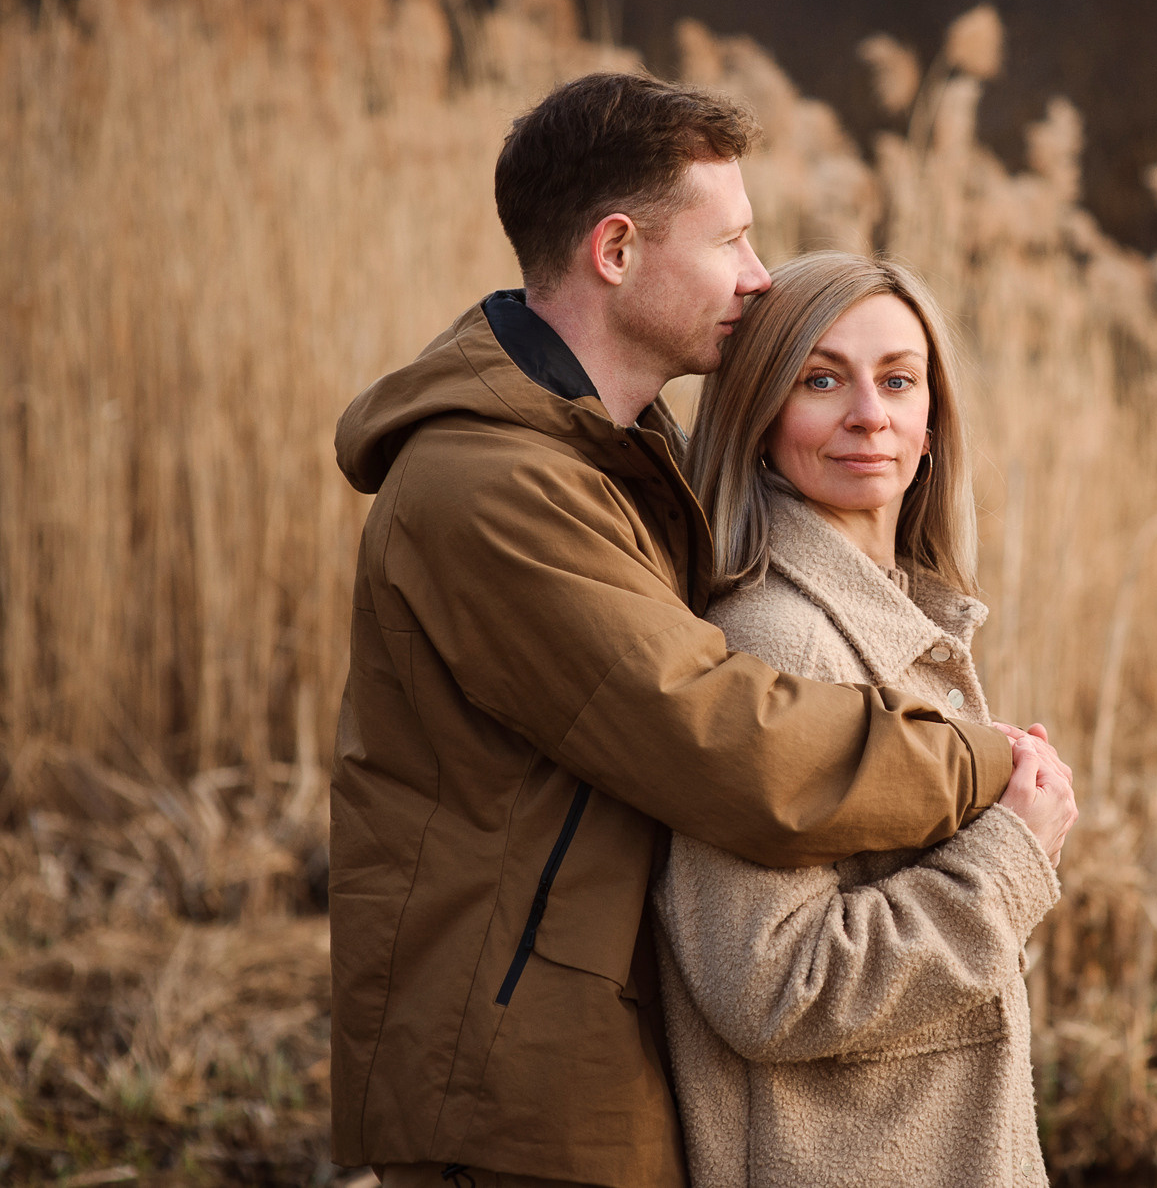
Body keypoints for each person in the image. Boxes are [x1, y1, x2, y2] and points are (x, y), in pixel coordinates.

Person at [329, 74, 1074, 1188]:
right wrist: (986, 763)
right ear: (617, 250)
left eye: (900, 382)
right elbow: (721, 736)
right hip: (510, 1092)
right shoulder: (492, 488)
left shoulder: (613, 462)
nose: (758, 274)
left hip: (586, 1065)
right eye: (729, 238)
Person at [653, 252, 1071, 1188]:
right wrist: (1012, 854)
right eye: (821, 379)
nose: (867, 415)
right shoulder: (778, 644)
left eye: (896, 380)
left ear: (932, 425)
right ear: (760, 417)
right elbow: (770, 984)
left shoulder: (895, 615)